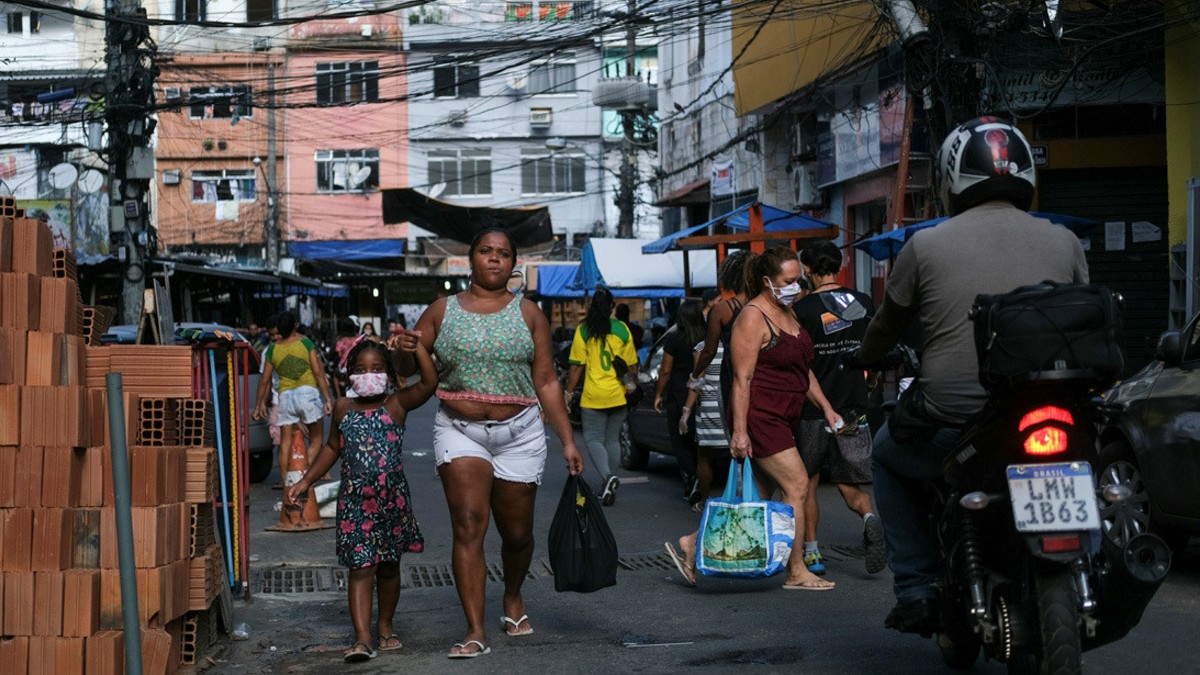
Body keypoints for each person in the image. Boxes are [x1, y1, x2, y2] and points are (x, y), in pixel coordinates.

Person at [852, 116, 1088, 633]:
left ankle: (916, 585)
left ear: (950, 179)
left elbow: (887, 326)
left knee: (888, 457)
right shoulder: (1065, 240)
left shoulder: (926, 245)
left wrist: (864, 356)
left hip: (957, 419)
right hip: (1057, 410)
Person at [394, 227, 584, 659]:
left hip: (520, 433)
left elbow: (547, 380)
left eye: (502, 254)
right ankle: (475, 629)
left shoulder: (530, 313)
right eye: (485, 251)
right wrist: (404, 347)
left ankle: (512, 595)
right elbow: (407, 367)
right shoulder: (441, 311)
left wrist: (568, 441)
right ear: (471, 259)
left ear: (513, 264)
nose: (494, 259)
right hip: (460, 432)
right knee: (468, 526)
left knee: (517, 535)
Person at [666, 246, 841, 591]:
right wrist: (740, 432)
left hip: (785, 415)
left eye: (798, 279)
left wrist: (826, 407)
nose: (795, 286)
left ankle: (691, 542)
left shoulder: (789, 313)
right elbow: (742, 380)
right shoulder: (752, 317)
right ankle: (796, 571)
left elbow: (802, 371)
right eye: (787, 281)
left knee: (758, 496)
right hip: (761, 416)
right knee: (798, 485)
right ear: (766, 281)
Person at [285, 337, 437, 662]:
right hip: (355, 505)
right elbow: (331, 449)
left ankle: (385, 625)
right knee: (361, 568)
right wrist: (305, 481)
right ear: (349, 376)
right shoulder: (343, 408)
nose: (368, 374)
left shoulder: (396, 405)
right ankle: (363, 638)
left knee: (389, 568)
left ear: (389, 373)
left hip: (392, 503)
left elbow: (430, 383)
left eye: (377, 369)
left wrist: (417, 350)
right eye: (360, 369)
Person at [793, 240, 884, 576]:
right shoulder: (860, 302)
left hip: (815, 408)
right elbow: (875, 348)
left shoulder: (802, 311)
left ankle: (813, 553)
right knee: (849, 481)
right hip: (853, 406)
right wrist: (871, 380)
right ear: (837, 265)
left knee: (809, 482)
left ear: (809, 270)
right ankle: (869, 517)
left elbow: (799, 363)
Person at [565, 286, 639, 506]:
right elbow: (632, 365)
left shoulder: (583, 329)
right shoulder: (622, 329)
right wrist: (631, 387)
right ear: (611, 307)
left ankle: (608, 478)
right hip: (618, 393)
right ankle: (610, 481)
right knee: (612, 440)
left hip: (593, 395)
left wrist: (568, 392)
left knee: (593, 439)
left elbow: (576, 366)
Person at [253, 311, 334, 489]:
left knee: (285, 442)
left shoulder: (273, 349)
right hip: (308, 394)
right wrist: (327, 398)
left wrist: (258, 404)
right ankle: (302, 475)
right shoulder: (306, 343)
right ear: (294, 326)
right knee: (316, 439)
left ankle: (287, 482)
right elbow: (318, 372)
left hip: (285, 397)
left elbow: (264, 380)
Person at [653, 300, 707, 507]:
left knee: (678, 441)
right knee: (697, 441)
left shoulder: (674, 339)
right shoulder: (706, 338)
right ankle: (694, 483)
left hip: (678, 395)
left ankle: (693, 478)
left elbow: (665, 370)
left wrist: (658, 394)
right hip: (702, 395)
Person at [689, 250, 751, 427]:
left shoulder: (723, 310)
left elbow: (709, 351)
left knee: (735, 427)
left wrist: (695, 375)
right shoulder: (763, 305)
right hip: (761, 374)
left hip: (733, 375)